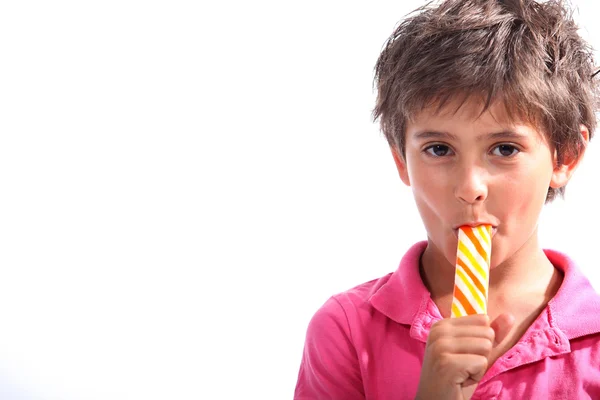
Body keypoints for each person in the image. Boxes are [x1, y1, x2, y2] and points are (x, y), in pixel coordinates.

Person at [294, 0, 600, 399]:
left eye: (504, 149)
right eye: (439, 149)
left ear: (565, 156)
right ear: (401, 159)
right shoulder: (348, 329)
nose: (470, 187)